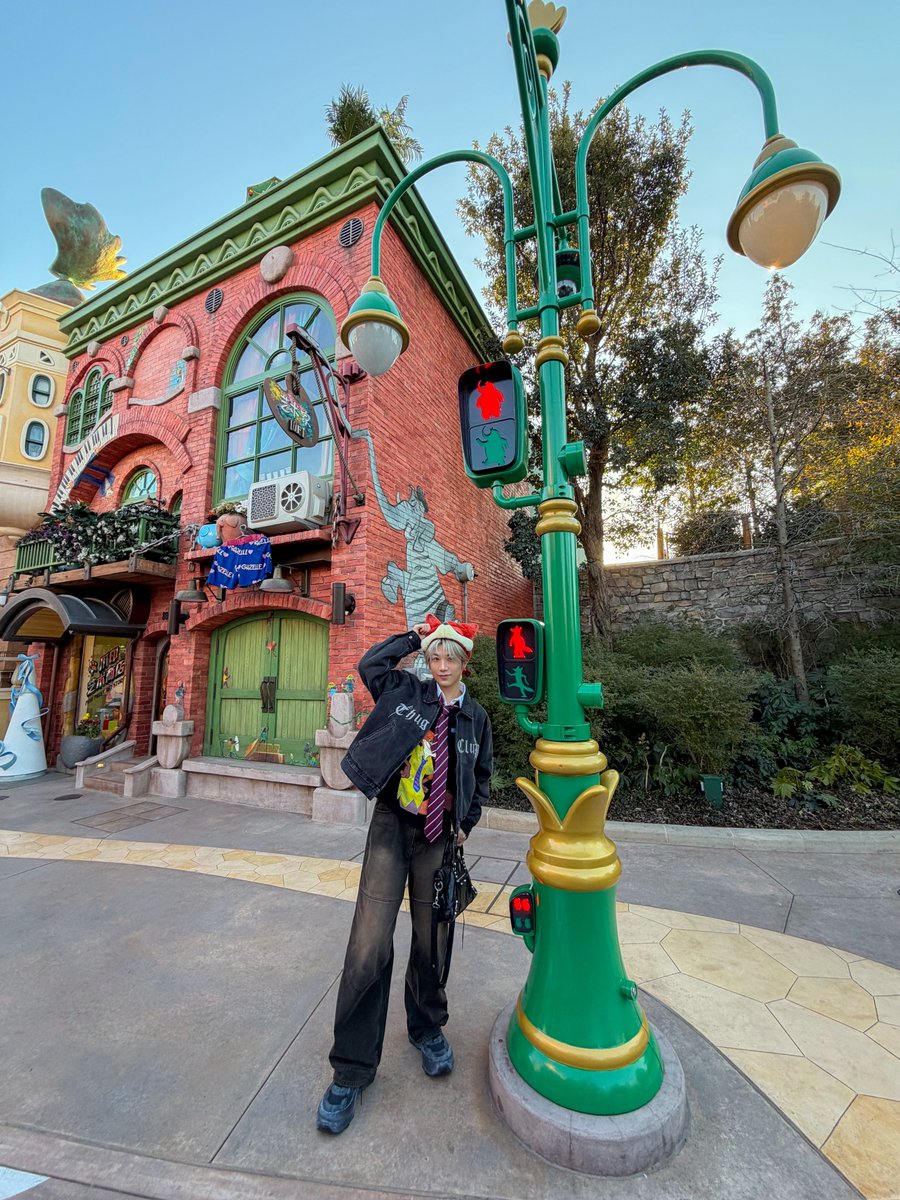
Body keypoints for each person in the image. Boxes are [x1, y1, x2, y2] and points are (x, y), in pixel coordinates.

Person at [316, 614, 493, 1135]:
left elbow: (481, 775)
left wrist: (467, 823)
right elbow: (370, 664)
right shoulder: (405, 692)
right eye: (434, 657)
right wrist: (414, 636)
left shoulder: (476, 717)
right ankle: (351, 1071)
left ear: (464, 662)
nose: (441, 666)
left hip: (439, 838)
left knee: (433, 940)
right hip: (392, 827)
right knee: (368, 945)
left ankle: (427, 1028)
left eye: (449, 657)